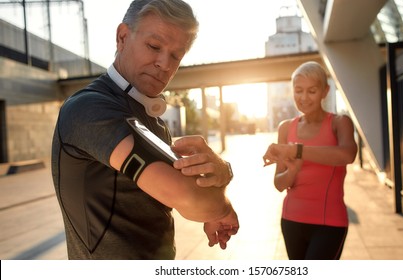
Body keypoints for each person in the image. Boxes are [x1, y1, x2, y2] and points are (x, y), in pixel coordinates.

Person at [51, 0, 238, 260]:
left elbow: (184, 196)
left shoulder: (154, 122)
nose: (165, 63)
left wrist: (219, 175)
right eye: (154, 46)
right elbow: (192, 200)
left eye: (176, 55)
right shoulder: (89, 109)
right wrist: (219, 206)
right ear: (123, 37)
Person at [262, 61, 357, 260]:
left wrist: (296, 151)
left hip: (330, 222)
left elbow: (347, 155)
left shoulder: (339, 123)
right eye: (298, 91)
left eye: (312, 91)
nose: (304, 98)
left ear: (325, 91)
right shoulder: (286, 128)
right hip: (291, 220)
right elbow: (279, 184)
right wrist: (293, 170)